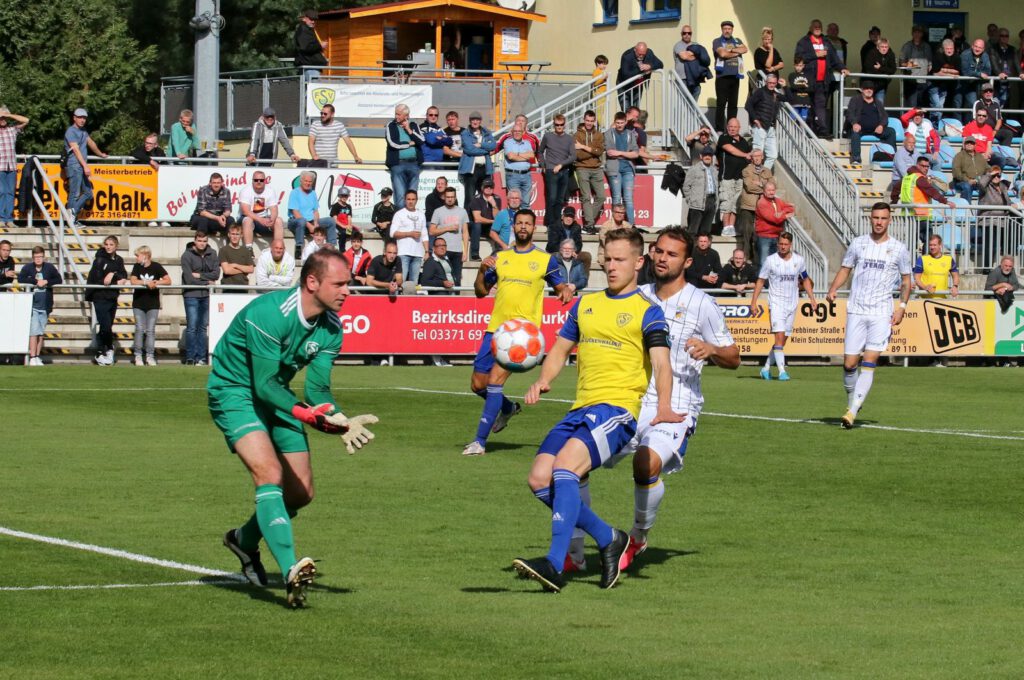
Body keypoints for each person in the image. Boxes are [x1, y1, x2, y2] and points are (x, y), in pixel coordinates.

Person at [512, 227, 679, 593]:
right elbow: (559, 349)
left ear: (639, 262)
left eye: (620, 260)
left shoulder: (648, 312)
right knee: (539, 478)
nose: (611, 266)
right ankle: (608, 538)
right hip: (581, 408)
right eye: (607, 259)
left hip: (616, 410)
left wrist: (664, 405)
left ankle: (555, 563)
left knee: (565, 468)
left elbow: (661, 363)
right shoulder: (585, 305)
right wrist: (544, 380)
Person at [211, 249, 377, 607]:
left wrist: (340, 418)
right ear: (312, 282)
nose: (347, 291)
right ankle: (291, 570)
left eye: (348, 283)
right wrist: (307, 414)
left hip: (278, 394)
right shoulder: (270, 314)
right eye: (339, 284)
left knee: (301, 493)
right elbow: (262, 384)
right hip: (234, 391)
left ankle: (243, 540)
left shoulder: (332, 328)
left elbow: (317, 391)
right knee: (269, 474)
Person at [614, 227, 740, 573]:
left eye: (672, 254)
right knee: (575, 460)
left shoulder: (702, 304)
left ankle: (638, 535)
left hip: (679, 402)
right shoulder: (636, 295)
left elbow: (734, 358)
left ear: (687, 262)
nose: (662, 258)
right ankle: (574, 547)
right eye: (659, 251)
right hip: (632, 396)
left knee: (646, 464)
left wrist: (712, 349)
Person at [461, 209, 573, 457]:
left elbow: (560, 287)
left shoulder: (545, 260)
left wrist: (565, 291)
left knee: (494, 382)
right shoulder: (500, 257)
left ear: (534, 228)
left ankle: (479, 442)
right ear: (514, 226)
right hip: (496, 330)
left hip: (522, 335)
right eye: (519, 223)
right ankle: (508, 408)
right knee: (477, 384)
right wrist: (481, 270)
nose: (523, 227)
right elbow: (481, 292)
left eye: (527, 224)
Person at [826, 203, 912, 429]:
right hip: (856, 309)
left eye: (883, 218)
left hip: (881, 312)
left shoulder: (899, 249)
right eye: (876, 218)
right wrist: (833, 288)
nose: (879, 222)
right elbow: (845, 268)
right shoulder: (858, 244)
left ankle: (852, 411)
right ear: (870, 219)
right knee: (849, 364)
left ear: (890, 220)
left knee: (870, 361)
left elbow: (906, 280)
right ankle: (852, 402)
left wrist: (902, 307)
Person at [750, 232, 816, 380]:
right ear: (777, 244)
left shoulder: (799, 260)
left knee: (782, 340)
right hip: (776, 304)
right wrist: (753, 302)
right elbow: (760, 281)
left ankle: (766, 368)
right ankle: (782, 371)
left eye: (786, 244)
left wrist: (812, 298)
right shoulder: (770, 261)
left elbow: (805, 279)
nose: (783, 247)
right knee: (779, 337)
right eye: (780, 244)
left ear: (790, 245)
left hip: (792, 304)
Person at [795, 20, 849, 137]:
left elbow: (835, 59)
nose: (817, 28)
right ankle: (808, 132)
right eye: (815, 26)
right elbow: (798, 57)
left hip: (823, 81)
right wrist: (816, 54)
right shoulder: (804, 42)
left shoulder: (826, 41)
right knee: (809, 106)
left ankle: (822, 131)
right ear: (810, 28)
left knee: (820, 106)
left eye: (819, 26)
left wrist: (842, 68)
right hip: (807, 81)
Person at [85, 235, 128, 366]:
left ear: (116, 246)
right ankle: (105, 350)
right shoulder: (99, 260)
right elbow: (99, 280)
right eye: (106, 244)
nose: (108, 247)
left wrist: (113, 274)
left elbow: (123, 275)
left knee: (107, 326)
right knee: (105, 325)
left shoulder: (119, 259)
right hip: (100, 297)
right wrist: (114, 279)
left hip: (112, 297)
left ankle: (103, 350)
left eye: (111, 244)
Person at [18, 246, 62, 366]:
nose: (38, 259)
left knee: (40, 332)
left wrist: (47, 281)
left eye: (40, 257)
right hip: (33, 305)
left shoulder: (49, 267)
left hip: (45, 305)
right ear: (33, 257)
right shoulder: (27, 268)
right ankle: (32, 356)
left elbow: (59, 279)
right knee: (34, 331)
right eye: (36, 257)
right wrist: (35, 281)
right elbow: (20, 278)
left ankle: (37, 356)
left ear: (44, 257)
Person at [181, 232, 220, 366]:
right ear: (195, 241)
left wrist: (199, 275)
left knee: (203, 328)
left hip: (207, 295)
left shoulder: (212, 253)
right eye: (199, 241)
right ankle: (190, 357)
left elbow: (216, 274)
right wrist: (207, 281)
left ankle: (201, 357)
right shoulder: (186, 255)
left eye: (204, 241)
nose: (202, 243)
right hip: (191, 294)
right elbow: (189, 279)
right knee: (192, 327)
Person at [64, 108, 108, 225]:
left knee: (88, 193)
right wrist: (85, 166)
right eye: (80, 117)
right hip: (75, 165)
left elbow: (91, 143)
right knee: (74, 194)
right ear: (74, 118)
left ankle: (72, 214)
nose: (82, 120)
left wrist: (100, 154)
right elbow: (76, 150)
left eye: (84, 118)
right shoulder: (71, 131)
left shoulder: (83, 131)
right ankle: (71, 221)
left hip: (81, 165)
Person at [893, 156, 948, 248]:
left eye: (927, 166)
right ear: (917, 165)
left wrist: (894, 201)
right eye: (923, 166)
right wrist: (945, 201)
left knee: (911, 242)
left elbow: (895, 190)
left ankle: (911, 257)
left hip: (908, 215)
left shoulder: (907, 177)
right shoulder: (919, 178)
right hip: (921, 215)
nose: (926, 168)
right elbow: (930, 190)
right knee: (928, 243)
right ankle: (925, 258)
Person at [129, 245, 171, 367]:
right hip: (138, 303)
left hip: (153, 303)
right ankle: (138, 355)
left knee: (150, 330)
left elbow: (168, 280)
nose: (136, 258)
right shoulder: (137, 267)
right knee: (139, 329)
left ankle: (150, 356)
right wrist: (145, 282)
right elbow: (133, 280)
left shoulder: (156, 266)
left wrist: (157, 282)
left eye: (138, 256)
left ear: (145, 255)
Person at [287, 170, 337, 260]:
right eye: (306, 181)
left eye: (310, 181)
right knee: (301, 221)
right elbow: (295, 213)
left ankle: (332, 248)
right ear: (301, 181)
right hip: (296, 221)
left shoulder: (313, 193)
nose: (308, 183)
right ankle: (299, 248)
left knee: (330, 221)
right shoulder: (294, 192)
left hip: (311, 221)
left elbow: (315, 211)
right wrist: (310, 226)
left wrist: (316, 224)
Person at [538, 114, 575, 231]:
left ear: (565, 125)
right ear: (553, 124)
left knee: (560, 199)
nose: (559, 127)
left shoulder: (569, 138)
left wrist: (561, 165)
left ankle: (557, 222)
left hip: (564, 171)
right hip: (551, 171)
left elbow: (573, 156)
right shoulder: (548, 136)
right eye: (557, 124)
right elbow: (540, 151)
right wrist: (543, 165)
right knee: (552, 198)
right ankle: (550, 223)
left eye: (561, 125)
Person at [715, 118, 751, 238]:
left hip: (740, 177)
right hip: (727, 176)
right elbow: (731, 150)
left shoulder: (744, 142)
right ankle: (725, 227)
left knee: (736, 203)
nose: (732, 129)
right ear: (727, 127)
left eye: (735, 127)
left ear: (739, 128)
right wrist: (745, 155)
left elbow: (749, 156)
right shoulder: (723, 138)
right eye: (730, 126)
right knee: (727, 202)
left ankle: (731, 226)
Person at [845, 81, 896, 166]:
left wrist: (881, 125)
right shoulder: (855, 100)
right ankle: (856, 158)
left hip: (875, 130)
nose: (869, 90)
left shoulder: (877, 102)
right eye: (866, 88)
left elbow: (885, 116)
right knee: (855, 133)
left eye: (871, 89)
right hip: (860, 129)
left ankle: (891, 156)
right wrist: (854, 123)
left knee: (891, 131)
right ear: (862, 90)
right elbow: (849, 113)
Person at [428, 185, 469, 285]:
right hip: (442, 250)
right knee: (443, 278)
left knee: (457, 279)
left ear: (455, 198)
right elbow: (431, 231)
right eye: (448, 197)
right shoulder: (438, 211)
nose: (450, 199)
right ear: (444, 197)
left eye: (452, 197)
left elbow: (465, 232)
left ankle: (456, 295)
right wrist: (448, 228)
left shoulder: (462, 211)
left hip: (458, 251)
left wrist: (465, 252)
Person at [604, 112, 640, 224]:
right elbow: (610, 152)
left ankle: (631, 224)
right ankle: (615, 224)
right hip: (614, 168)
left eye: (621, 123)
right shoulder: (609, 133)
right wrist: (627, 154)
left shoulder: (630, 134)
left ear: (625, 122)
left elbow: (636, 154)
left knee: (628, 198)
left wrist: (619, 153)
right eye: (617, 123)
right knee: (616, 197)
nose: (619, 125)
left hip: (628, 168)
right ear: (614, 122)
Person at [712, 21, 748, 132]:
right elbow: (722, 54)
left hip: (735, 76)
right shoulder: (717, 41)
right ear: (722, 30)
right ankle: (719, 129)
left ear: (732, 30)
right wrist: (737, 52)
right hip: (722, 77)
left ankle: (731, 129)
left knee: (733, 105)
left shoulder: (737, 40)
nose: (727, 31)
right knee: (721, 104)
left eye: (729, 29)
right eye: (725, 29)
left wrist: (731, 50)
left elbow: (745, 49)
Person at [738, 149, 772, 261]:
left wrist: (760, 183)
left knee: (759, 233)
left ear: (762, 157)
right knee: (747, 233)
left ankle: (757, 258)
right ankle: (746, 257)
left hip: (762, 206)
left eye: (759, 156)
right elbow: (749, 186)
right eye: (754, 156)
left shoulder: (767, 171)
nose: (757, 158)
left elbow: (773, 186)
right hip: (748, 205)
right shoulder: (746, 170)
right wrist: (765, 187)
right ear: (751, 158)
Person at [573, 111, 605, 230]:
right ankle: (589, 224)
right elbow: (578, 155)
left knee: (601, 197)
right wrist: (593, 151)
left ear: (594, 121)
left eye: (592, 121)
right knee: (586, 197)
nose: (589, 123)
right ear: (584, 120)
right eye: (587, 120)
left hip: (597, 169)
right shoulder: (577, 135)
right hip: (582, 168)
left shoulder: (599, 135)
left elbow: (600, 152)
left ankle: (589, 221)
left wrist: (583, 147)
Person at [385, 104, 424, 199]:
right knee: (400, 195)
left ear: (406, 116)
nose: (396, 116)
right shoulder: (391, 125)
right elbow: (393, 143)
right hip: (398, 164)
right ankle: (400, 210)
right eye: (396, 114)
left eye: (399, 114)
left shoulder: (413, 125)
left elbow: (421, 141)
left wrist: (409, 130)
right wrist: (409, 144)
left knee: (412, 196)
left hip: (414, 164)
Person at [390, 189, 428, 286]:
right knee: (400, 282)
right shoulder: (399, 214)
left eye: (413, 199)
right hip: (403, 253)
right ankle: (397, 296)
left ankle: (411, 297)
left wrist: (427, 251)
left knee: (413, 284)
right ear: (405, 200)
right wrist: (409, 234)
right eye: (408, 199)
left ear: (417, 200)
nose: (411, 202)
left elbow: (424, 234)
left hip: (418, 254)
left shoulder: (421, 215)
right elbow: (392, 233)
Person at [745, 73, 783, 169]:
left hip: (771, 128)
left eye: (774, 83)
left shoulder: (775, 94)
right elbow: (748, 105)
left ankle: (764, 174)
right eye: (770, 83)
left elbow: (790, 98)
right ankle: (754, 174)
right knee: (757, 154)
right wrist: (755, 119)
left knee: (773, 155)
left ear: (776, 83)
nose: (772, 85)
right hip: (760, 126)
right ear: (766, 82)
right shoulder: (760, 92)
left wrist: (785, 87)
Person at [238, 171, 284, 248]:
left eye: (261, 180)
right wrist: (260, 220)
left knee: (278, 220)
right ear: (252, 181)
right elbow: (245, 211)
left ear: (264, 181)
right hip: (246, 218)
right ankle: (249, 249)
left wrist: (272, 220)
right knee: (248, 220)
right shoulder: (245, 191)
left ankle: (278, 247)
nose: (258, 182)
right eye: (256, 180)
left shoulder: (270, 191)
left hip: (263, 219)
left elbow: (274, 209)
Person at [458, 111, 496, 205]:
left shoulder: (486, 132)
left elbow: (493, 145)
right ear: (470, 121)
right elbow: (469, 150)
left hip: (485, 168)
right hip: (471, 170)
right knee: (470, 197)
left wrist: (481, 145)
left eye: (477, 120)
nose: (475, 122)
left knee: (485, 196)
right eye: (473, 120)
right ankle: (469, 214)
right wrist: (486, 151)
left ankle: (483, 214)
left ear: (480, 121)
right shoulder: (465, 133)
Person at [0, 106, 28, 228]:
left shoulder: (12, 129)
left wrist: (8, 115)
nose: (3, 119)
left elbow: (26, 120)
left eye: (4, 117)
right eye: (1, 117)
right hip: (0, 167)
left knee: (10, 193)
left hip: (11, 167)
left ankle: (9, 219)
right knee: (1, 192)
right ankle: (1, 219)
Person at [754, 180, 794, 264]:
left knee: (775, 263)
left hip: (776, 236)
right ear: (764, 191)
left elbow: (791, 208)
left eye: (773, 190)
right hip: (764, 237)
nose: (771, 192)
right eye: (769, 190)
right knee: (764, 263)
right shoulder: (762, 203)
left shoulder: (777, 200)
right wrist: (785, 216)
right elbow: (774, 219)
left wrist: (781, 212)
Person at [616, 42, 664, 111]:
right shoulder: (627, 56)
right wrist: (641, 70)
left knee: (635, 110)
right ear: (635, 50)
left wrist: (650, 66)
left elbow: (660, 64)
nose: (641, 56)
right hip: (624, 85)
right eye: (639, 54)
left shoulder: (649, 53)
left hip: (637, 85)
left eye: (643, 54)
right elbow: (625, 74)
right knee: (626, 109)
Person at [682, 146, 717, 236]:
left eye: (709, 155)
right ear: (701, 156)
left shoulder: (714, 170)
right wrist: (691, 200)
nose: (707, 157)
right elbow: (686, 186)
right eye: (705, 155)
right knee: (693, 230)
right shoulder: (694, 169)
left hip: (711, 201)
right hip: (697, 203)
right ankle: (692, 245)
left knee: (706, 231)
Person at [913, 234, 959, 301]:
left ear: (940, 245)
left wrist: (955, 286)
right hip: (924, 300)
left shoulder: (949, 259)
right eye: (930, 245)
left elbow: (955, 275)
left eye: (934, 245)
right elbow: (917, 278)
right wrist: (925, 287)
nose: (932, 247)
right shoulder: (922, 259)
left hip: (942, 299)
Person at [673, 25, 712, 99]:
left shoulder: (696, 44)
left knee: (695, 97)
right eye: (684, 33)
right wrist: (696, 55)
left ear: (691, 34)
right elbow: (684, 57)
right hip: (682, 78)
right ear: (681, 34)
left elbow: (703, 56)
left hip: (694, 77)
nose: (687, 35)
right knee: (684, 100)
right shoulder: (678, 45)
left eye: (689, 33)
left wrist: (691, 54)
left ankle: (691, 108)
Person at [900, 25, 933, 109]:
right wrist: (907, 64)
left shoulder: (927, 47)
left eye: (919, 32)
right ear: (912, 33)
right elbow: (901, 63)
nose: (917, 34)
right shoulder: (907, 46)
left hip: (924, 81)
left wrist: (929, 67)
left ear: (922, 34)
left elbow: (930, 64)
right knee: (912, 105)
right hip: (911, 81)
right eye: (915, 32)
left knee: (922, 106)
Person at [957, 40, 991, 119]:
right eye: (976, 46)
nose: (977, 49)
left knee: (974, 105)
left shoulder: (985, 56)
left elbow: (988, 71)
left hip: (976, 85)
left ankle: (971, 123)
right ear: (972, 46)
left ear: (983, 49)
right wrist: (979, 74)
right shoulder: (965, 54)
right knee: (958, 105)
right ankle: (961, 124)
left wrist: (976, 74)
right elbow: (965, 71)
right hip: (962, 84)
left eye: (980, 48)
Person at [500, 123, 535, 202]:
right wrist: (525, 156)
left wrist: (517, 154)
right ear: (512, 132)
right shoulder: (507, 142)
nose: (517, 133)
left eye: (519, 131)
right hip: (513, 175)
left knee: (526, 202)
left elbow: (532, 155)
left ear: (523, 132)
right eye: (515, 131)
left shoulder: (527, 143)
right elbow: (510, 157)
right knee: (514, 201)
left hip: (527, 175)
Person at [468, 179, 501, 261]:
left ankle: (499, 251)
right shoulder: (476, 198)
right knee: (477, 225)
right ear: (482, 188)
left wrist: (494, 205)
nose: (489, 188)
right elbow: (477, 219)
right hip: (474, 228)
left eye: (491, 187)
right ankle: (474, 254)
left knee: (499, 226)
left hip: (488, 227)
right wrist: (492, 221)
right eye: (486, 187)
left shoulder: (497, 198)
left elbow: (497, 218)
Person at [928, 40, 960, 121]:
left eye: (951, 49)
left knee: (940, 107)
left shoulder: (957, 57)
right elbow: (936, 73)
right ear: (943, 49)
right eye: (947, 49)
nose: (949, 51)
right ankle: (933, 125)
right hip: (933, 84)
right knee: (936, 105)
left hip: (944, 86)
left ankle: (937, 124)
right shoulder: (937, 56)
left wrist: (944, 70)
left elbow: (958, 72)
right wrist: (951, 74)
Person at [219, 223, 255, 291]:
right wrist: (243, 270)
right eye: (233, 234)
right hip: (228, 287)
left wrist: (235, 265)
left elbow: (251, 269)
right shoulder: (223, 250)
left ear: (241, 235)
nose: (235, 237)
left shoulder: (246, 251)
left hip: (243, 287)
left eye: (237, 234)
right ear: (229, 235)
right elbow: (227, 271)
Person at [989, 28, 1019, 107]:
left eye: (1006, 36)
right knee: (995, 104)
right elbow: (993, 63)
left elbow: (1017, 63)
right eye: (1002, 35)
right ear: (998, 37)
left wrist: (1021, 73)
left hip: (1009, 81)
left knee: (1006, 103)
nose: (1004, 38)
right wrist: (999, 73)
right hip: (998, 81)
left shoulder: (1012, 49)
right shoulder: (993, 48)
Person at [951, 137, 988, 202]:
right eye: (967, 143)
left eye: (971, 143)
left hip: (977, 181)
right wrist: (968, 180)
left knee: (989, 186)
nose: (969, 144)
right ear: (964, 145)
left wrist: (994, 171)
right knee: (967, 186)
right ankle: (967, 206)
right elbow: (956, 172)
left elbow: (987, 168)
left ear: (975, 145)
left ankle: (984, 206)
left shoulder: (980, 156)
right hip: (961, 181)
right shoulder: (959, 156)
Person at [294, 9, 327, 77]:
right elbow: (305, 47)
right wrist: (320, 46)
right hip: (310, 67)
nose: (313, 21)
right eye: (311, 19)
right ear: (304, 18)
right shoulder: (304, 30)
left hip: (310, 66)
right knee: (312, 83)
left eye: (315, 20)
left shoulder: (308, 29)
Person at [863, 38, 897, 105]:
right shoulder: (871, 53)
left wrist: (880, 68)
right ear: (877, 47)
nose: (884, 49)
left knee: (879, 106)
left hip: (881, 85)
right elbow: (868, 68)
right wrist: (884, 71)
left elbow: (893, 70)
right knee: (867, 106)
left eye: (886, 47)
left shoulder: (891, 54)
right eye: (882, 47)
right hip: (869, 84)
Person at [786, 57, 812, 121]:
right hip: (795, 101)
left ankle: (802, 128)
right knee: (792, 119)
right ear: (794, 65)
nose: (798, 67)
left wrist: (799, 87)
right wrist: (804, 85)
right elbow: (793, 86)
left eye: (800, 66)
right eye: (797, 65)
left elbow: (811, 88)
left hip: (805, 102)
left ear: (803, 66)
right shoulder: (792, 75)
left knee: (803, 120)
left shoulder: (808, 76)